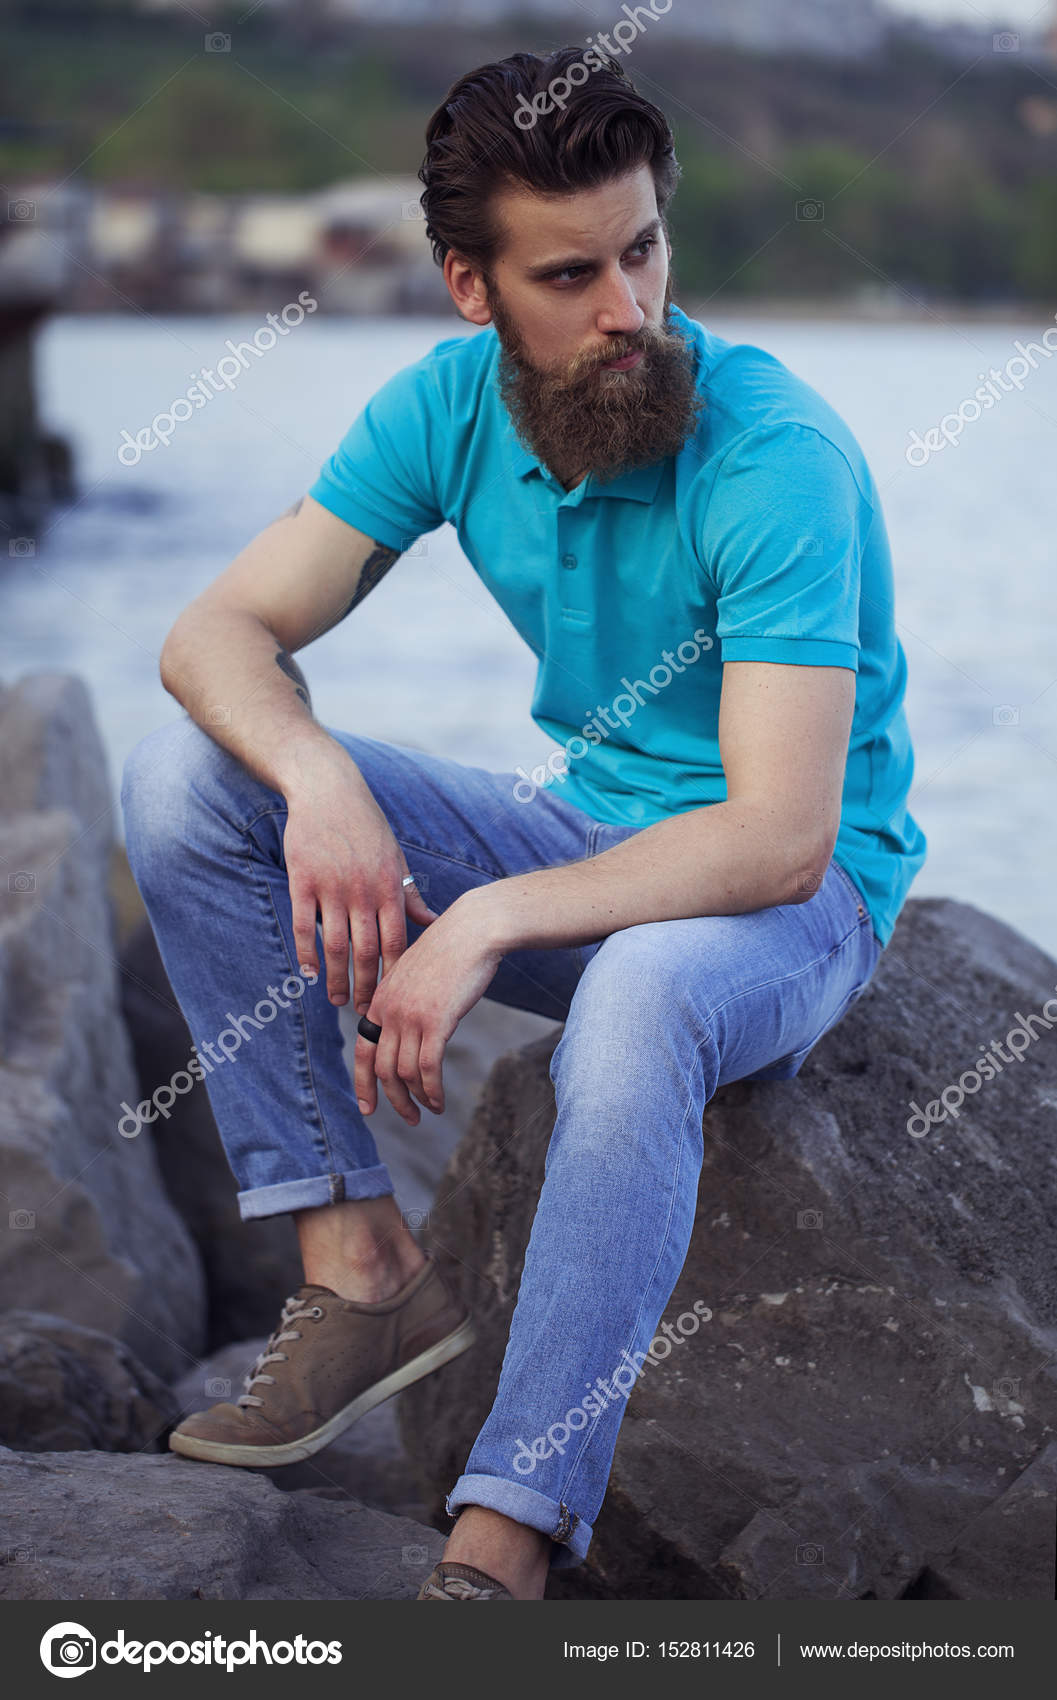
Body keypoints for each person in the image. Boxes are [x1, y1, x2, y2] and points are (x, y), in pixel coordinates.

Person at [120, 47, 926, 1603]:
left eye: (645, 251)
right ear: (469, 290)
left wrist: (483, 919)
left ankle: (512, 1525)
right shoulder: (443, 410)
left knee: (635, 990)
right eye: (572, 273)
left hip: (791, 901)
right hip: (587, 833)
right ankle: (359, 1268)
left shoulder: (774, 454)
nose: (628, 307)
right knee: (189, 778)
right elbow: (212, 635)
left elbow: (775, 837)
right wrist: (324, 777)